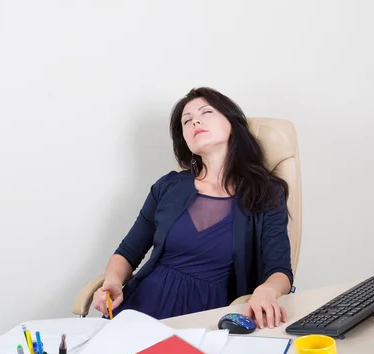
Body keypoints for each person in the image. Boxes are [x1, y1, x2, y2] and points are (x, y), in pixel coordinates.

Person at [92, 87, 293, 329]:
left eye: (206, 112)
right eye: (187, 121)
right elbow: (126, 253)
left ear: (232, 123)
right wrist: (113, 281)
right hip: (141, 308)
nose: (195, 120)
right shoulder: (167, 187)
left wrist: (267, 290)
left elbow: (279, 270)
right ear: (185, 140)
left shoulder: (265, 192)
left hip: (206, 319)